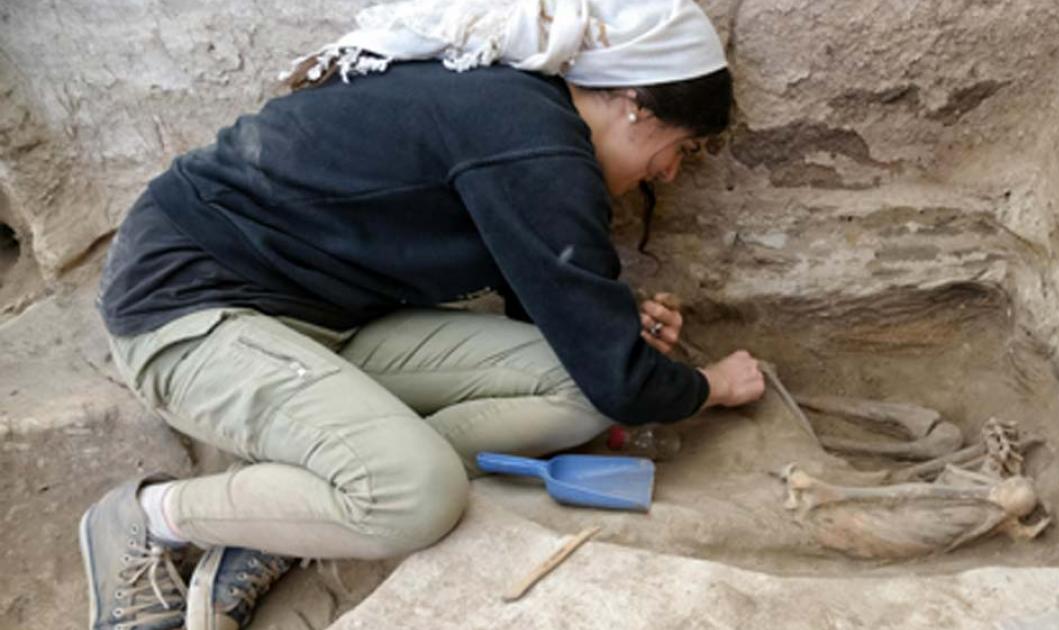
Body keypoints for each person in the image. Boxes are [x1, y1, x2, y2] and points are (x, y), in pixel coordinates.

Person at [80, 0, 766, 628]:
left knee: (580, 389)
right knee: (418, 499)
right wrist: (709, 387)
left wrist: (607, 322)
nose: (670, 173)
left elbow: (572, 332)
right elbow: (621, 378)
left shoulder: (527, 120)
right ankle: (148, 518)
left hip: (328, 321)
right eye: (684, 148)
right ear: (636, 106)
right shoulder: (533, 141)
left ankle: (301, 501)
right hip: (188, 313)